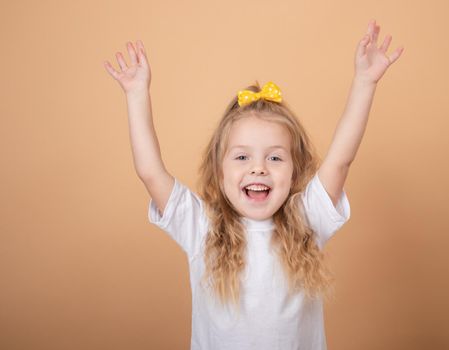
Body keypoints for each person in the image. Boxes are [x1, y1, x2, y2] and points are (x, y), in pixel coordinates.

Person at [104, 19, 403, 350]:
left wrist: (364, 82)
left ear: (295, 172)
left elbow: (340, 160)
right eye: (242, 158)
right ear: (219, 172)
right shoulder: (201, 226)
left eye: (275, 158)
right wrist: (136, 94)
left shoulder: (307, 220)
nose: (258, 169)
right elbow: (150, 171)